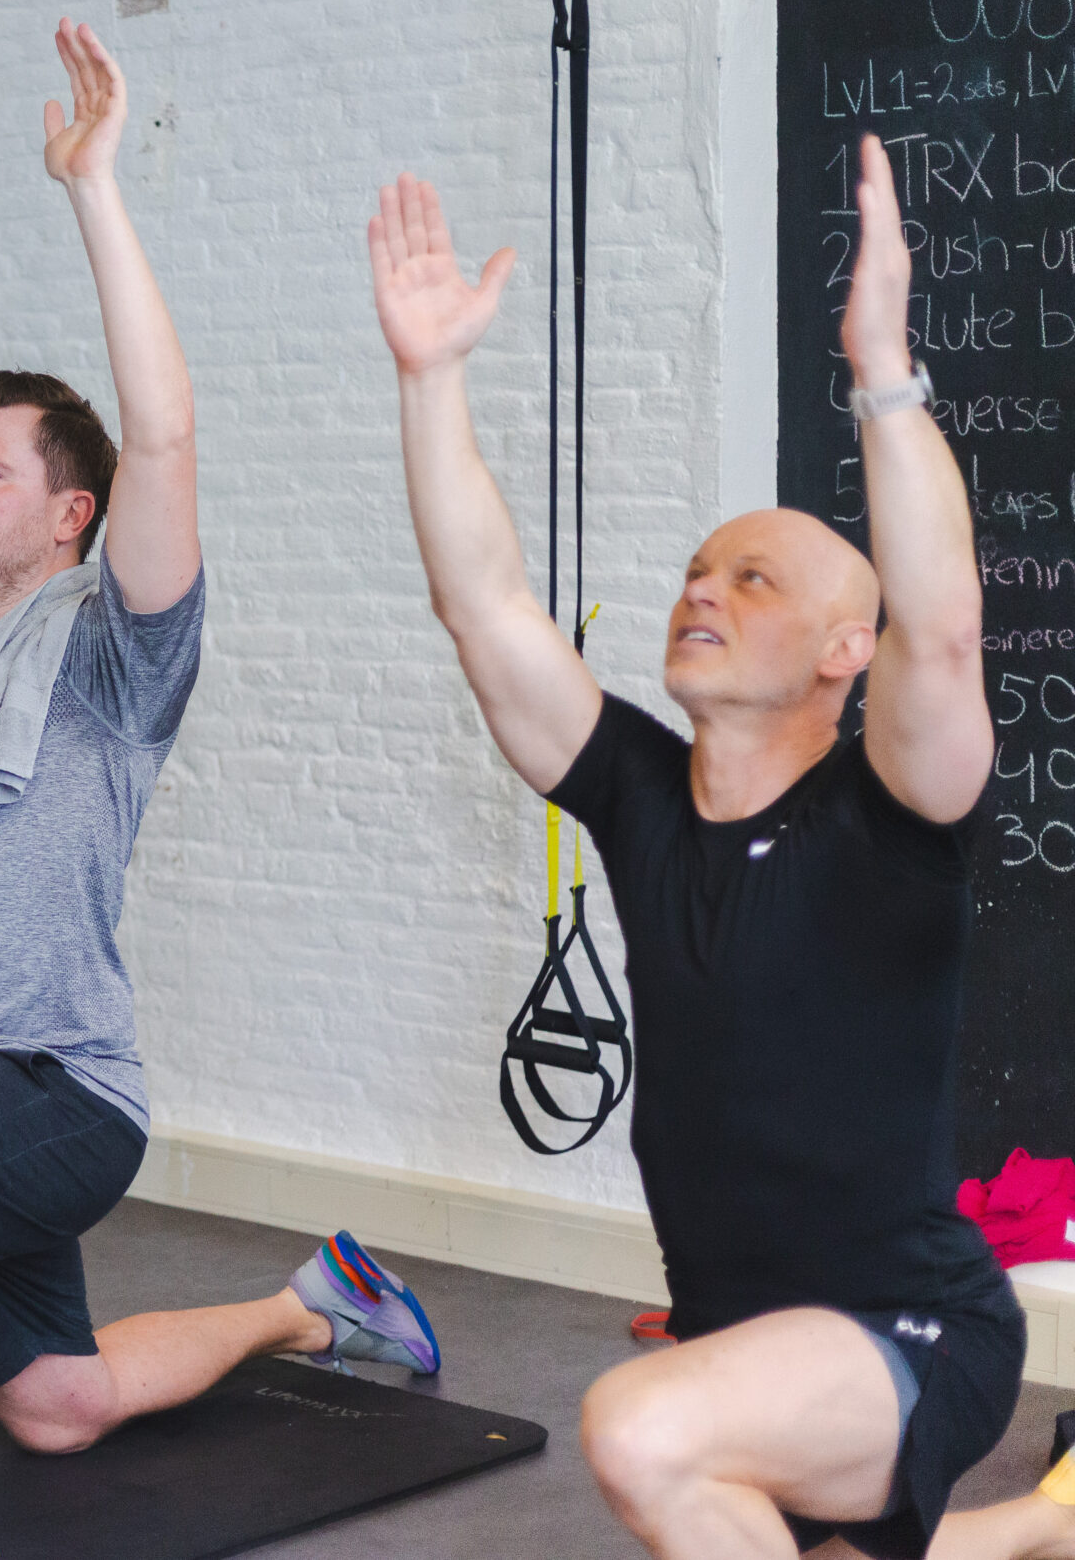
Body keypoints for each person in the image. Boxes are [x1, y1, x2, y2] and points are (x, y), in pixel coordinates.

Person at [0, 20, 440, 1560]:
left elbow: (169, 434)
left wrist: (97, 187)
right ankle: (310, 1304)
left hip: (55, 1091)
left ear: (73, 512)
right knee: (60, 1400)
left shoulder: (114, 656)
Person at [370, 137, 1018, 1560]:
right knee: (699, 1459)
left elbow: (948, 623)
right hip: (740, 1339)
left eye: (754, 576)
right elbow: (483, 609)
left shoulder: (895, 810)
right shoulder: (642, 794)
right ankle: (1030, 1533)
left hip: (905, 1332)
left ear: (847, 649)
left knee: (641, 1426)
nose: (703, 592)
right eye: (695, 571)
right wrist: (432, 381)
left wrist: (884, 371)